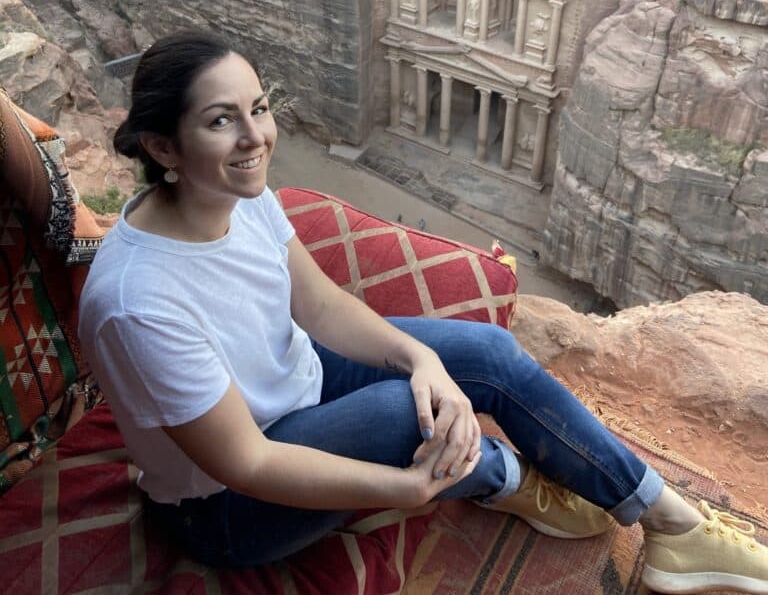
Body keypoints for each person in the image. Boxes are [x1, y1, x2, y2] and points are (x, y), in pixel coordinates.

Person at [78, 31, 768, 592]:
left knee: (483, 355)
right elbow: (249, 462)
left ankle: (671, 521)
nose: (254, 137)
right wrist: (407, 489)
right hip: (227, 508)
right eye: (221, 120)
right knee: (405, 414)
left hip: (297, 385)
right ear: (162, 147)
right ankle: (502, 476)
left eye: (258, 108)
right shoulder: (140, 303)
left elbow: (319, 305)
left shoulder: (238, 195)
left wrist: (423, 358)